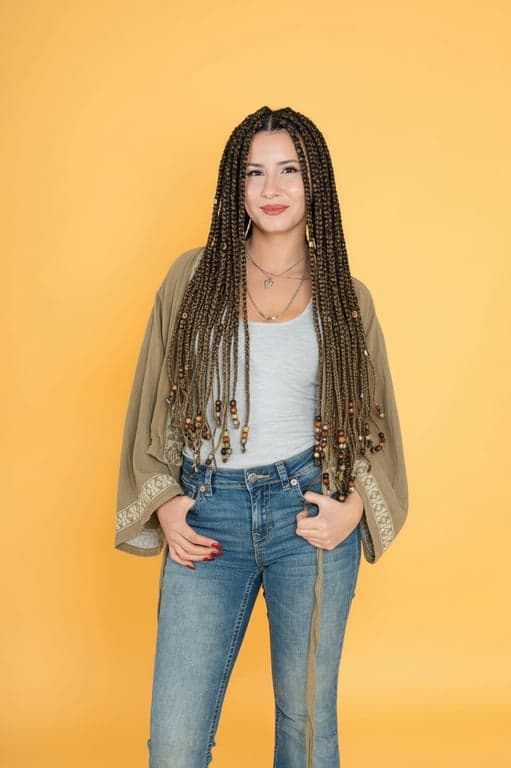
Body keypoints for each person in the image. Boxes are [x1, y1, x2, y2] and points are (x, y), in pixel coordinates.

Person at [114, 106, 408, 768]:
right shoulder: (191, 278)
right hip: (208, 513)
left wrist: (353, 506)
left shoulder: (345, 297)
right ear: (234, 186)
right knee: (175, 742)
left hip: (306, 510)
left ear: (314, 185)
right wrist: (164, 499)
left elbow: (372, 420)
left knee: (304, 725)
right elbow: (155, 393)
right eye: (254, 173)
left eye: (288, 171)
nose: (270, 190)